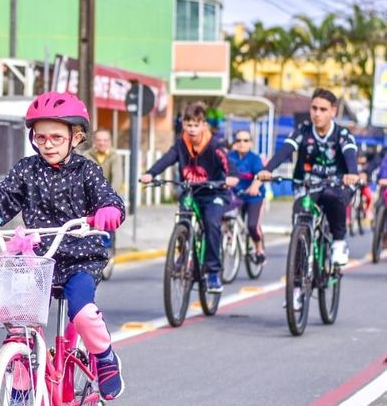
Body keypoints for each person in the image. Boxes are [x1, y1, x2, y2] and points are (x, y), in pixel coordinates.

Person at [0, 91, 126, 400]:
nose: (48, 144)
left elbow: (108, 199)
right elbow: (1, 199)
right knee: (19, 326)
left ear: (76, 136)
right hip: (37, 261)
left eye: (56, 137)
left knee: (82, 313)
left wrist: (109, 212)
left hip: (80, 259)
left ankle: (105, 357)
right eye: (40, 137)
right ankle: (20, 392)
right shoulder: (26, 170)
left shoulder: (87, 170)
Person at [140, 102, 239, 293]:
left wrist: (231, 176)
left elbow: (228, 163)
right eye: (188, 125)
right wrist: (151, 174)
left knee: (212, 223)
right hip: (191, 191)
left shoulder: (214, 144)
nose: (192, 129)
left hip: (214, 192)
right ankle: (183, 256)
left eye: (196, 125)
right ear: (183, 125)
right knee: (183, 219)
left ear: (203, 125)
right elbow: (167, 159)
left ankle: (213, 273)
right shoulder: (180, 144)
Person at [257, 88, 359, 266]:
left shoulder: (342, 134)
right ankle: (299, 266)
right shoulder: (302, 131)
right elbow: (285, 150)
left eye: (323, 109)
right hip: (307, 184)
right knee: (300, 213)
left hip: (337, 184)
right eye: (314, 108)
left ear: (333, 111)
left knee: (331, 197)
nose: (317, 114)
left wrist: (352, 173)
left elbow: (350, 153)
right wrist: (268, 169)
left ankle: (338, 242)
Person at [80, 128, 123, 256]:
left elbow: (117, 177)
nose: (102, 143)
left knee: (107, 222)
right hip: (89, 196)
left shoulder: (114, 156)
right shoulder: (86, 156)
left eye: (105, 140)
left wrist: (109, 197)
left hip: (107, 196)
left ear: (110, 141)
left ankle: (108, 251)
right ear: (94, 141)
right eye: (99, 140)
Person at [228, 130, 266, 262]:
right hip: (235, 196)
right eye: (238, 140)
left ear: (250, 143)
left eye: (245, 140)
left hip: (253, 197)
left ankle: (259, 249)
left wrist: (255, 186)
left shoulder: (254, 159)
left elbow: (260, 175)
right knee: (223, 218)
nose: (242, 143)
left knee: (252, 226)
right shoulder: (230, 157)